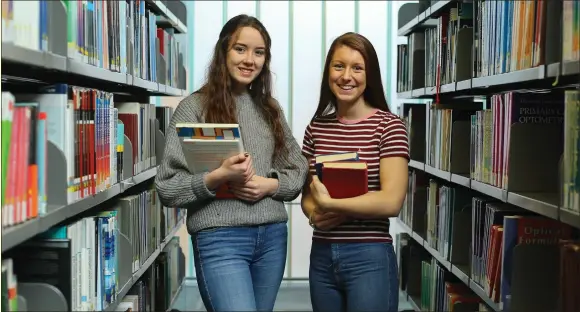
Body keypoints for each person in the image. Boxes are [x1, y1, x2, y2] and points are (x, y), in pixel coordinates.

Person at [155, 14, 309, 312]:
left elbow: (299, 167)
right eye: (240, 49)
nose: (249, 59)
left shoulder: (270, 109)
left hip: (272, 238)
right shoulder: (193, 108)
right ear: (223, 51)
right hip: (218, 238)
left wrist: (271, 185)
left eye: (259, 52)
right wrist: (216, 178)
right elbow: (167, 188)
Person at [300, 32, 410, 312]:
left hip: (370, 256)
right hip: (322, 256)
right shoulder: (316, 129)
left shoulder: (389, 127)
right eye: (339, 66)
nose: (346, 76)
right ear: (328, 72)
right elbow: (308, 196)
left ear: (368, 74)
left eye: (357, 68)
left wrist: (332, 205)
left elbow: (391, 201)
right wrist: (315, 213)